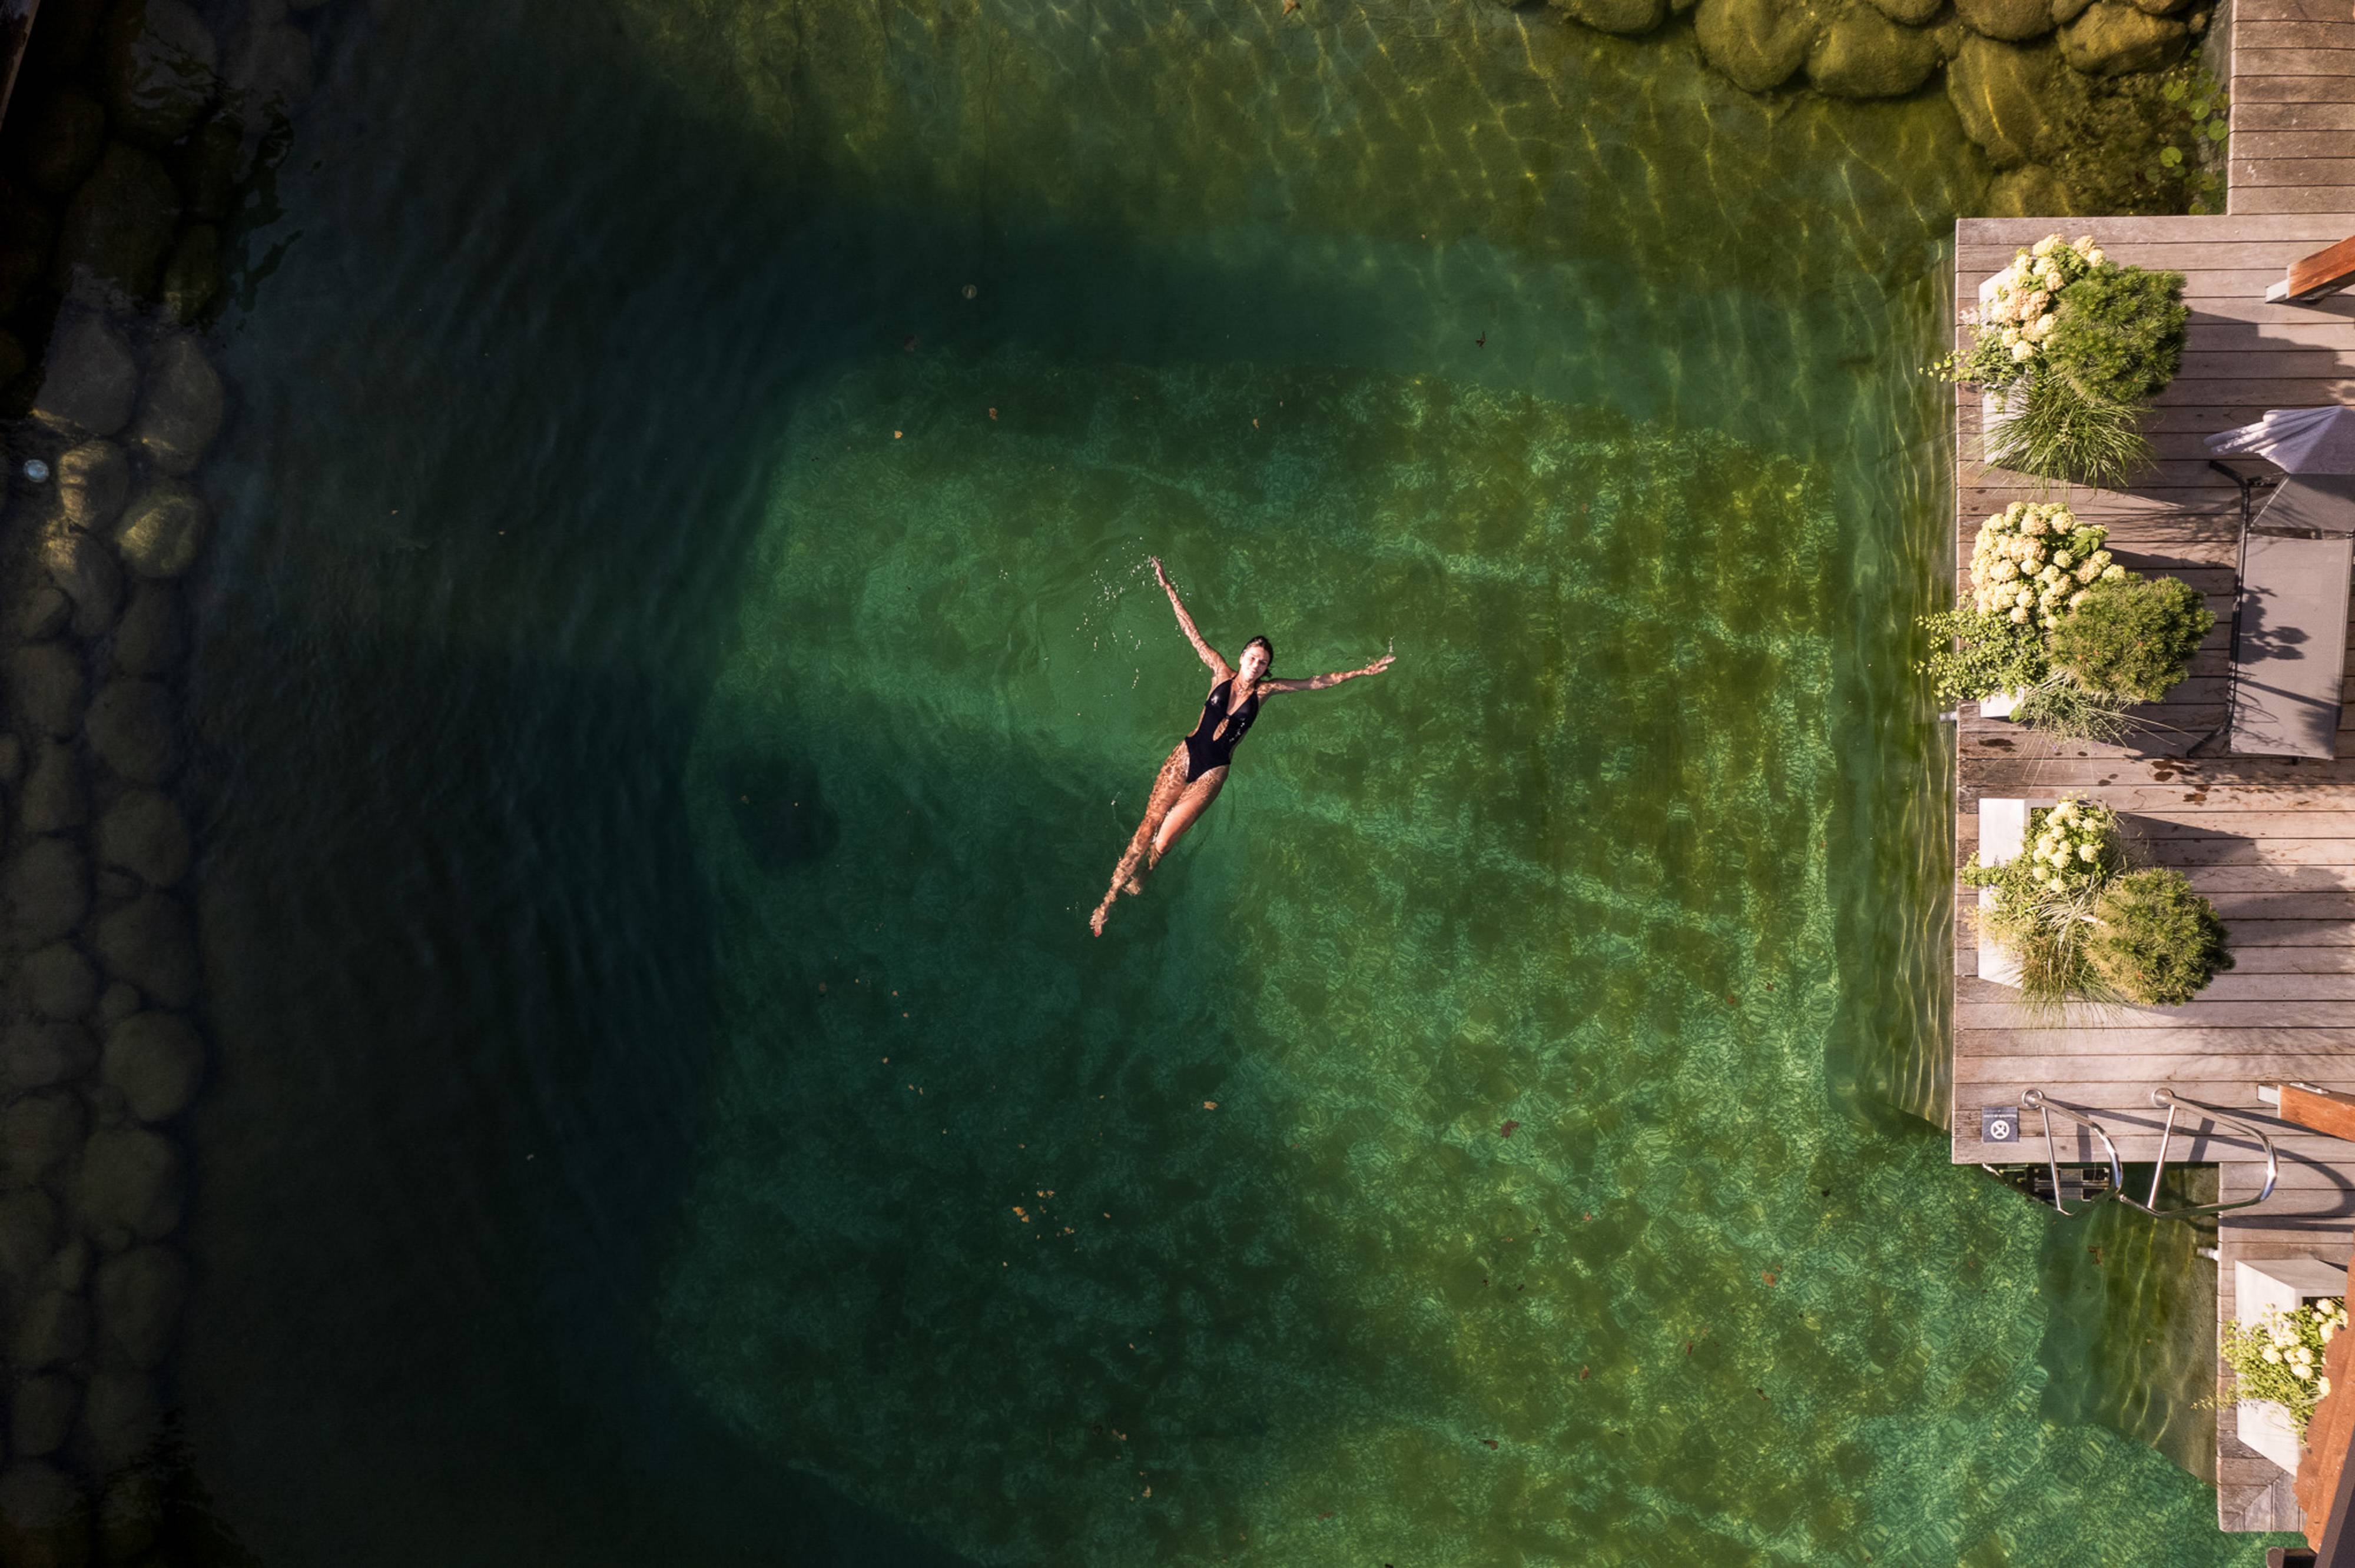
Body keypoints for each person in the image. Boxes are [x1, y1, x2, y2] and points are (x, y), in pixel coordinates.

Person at [1090, 557, 1394, 935]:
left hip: (1212, 773)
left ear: (1266, 669)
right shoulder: (1219, 671)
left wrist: (1362, 671)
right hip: (1184, 757)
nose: (1254, 665)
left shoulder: (1267, 691)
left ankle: (1149, 867)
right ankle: (1108, 900)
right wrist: (1168, 588)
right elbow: (1193, 634)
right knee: (1147, 825)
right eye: (1251, 658)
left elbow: (1316, 682)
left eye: (1262, 662)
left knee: (1164, 842)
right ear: (1241, 657)